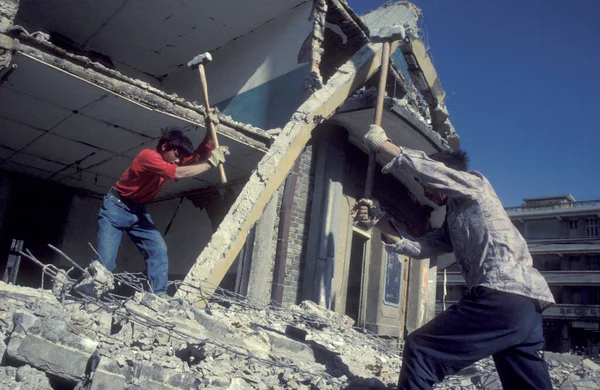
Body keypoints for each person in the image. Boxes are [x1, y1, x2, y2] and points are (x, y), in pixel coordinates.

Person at [355, 124, 555, 390]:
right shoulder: (455, 221)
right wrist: (379, 221)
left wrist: (385, 146)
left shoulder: (475, 186)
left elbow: (435, 172)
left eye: (425, 185)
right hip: (526, 309)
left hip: (502, 294)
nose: (425, 191)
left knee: (421, 349)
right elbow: (419, 247)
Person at [92, 128, 229, 298]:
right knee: (104, 263)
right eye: (177, 155)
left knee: (158, 250)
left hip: (139, 212)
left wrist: (209, 134)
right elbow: (178, 173)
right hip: (116, 208)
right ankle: (89, 294)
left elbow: (195, 158)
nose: (179, 161)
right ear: (165, 146)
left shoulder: (170, 161)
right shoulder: (148, 157)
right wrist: (211, 163)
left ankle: (157, 295)